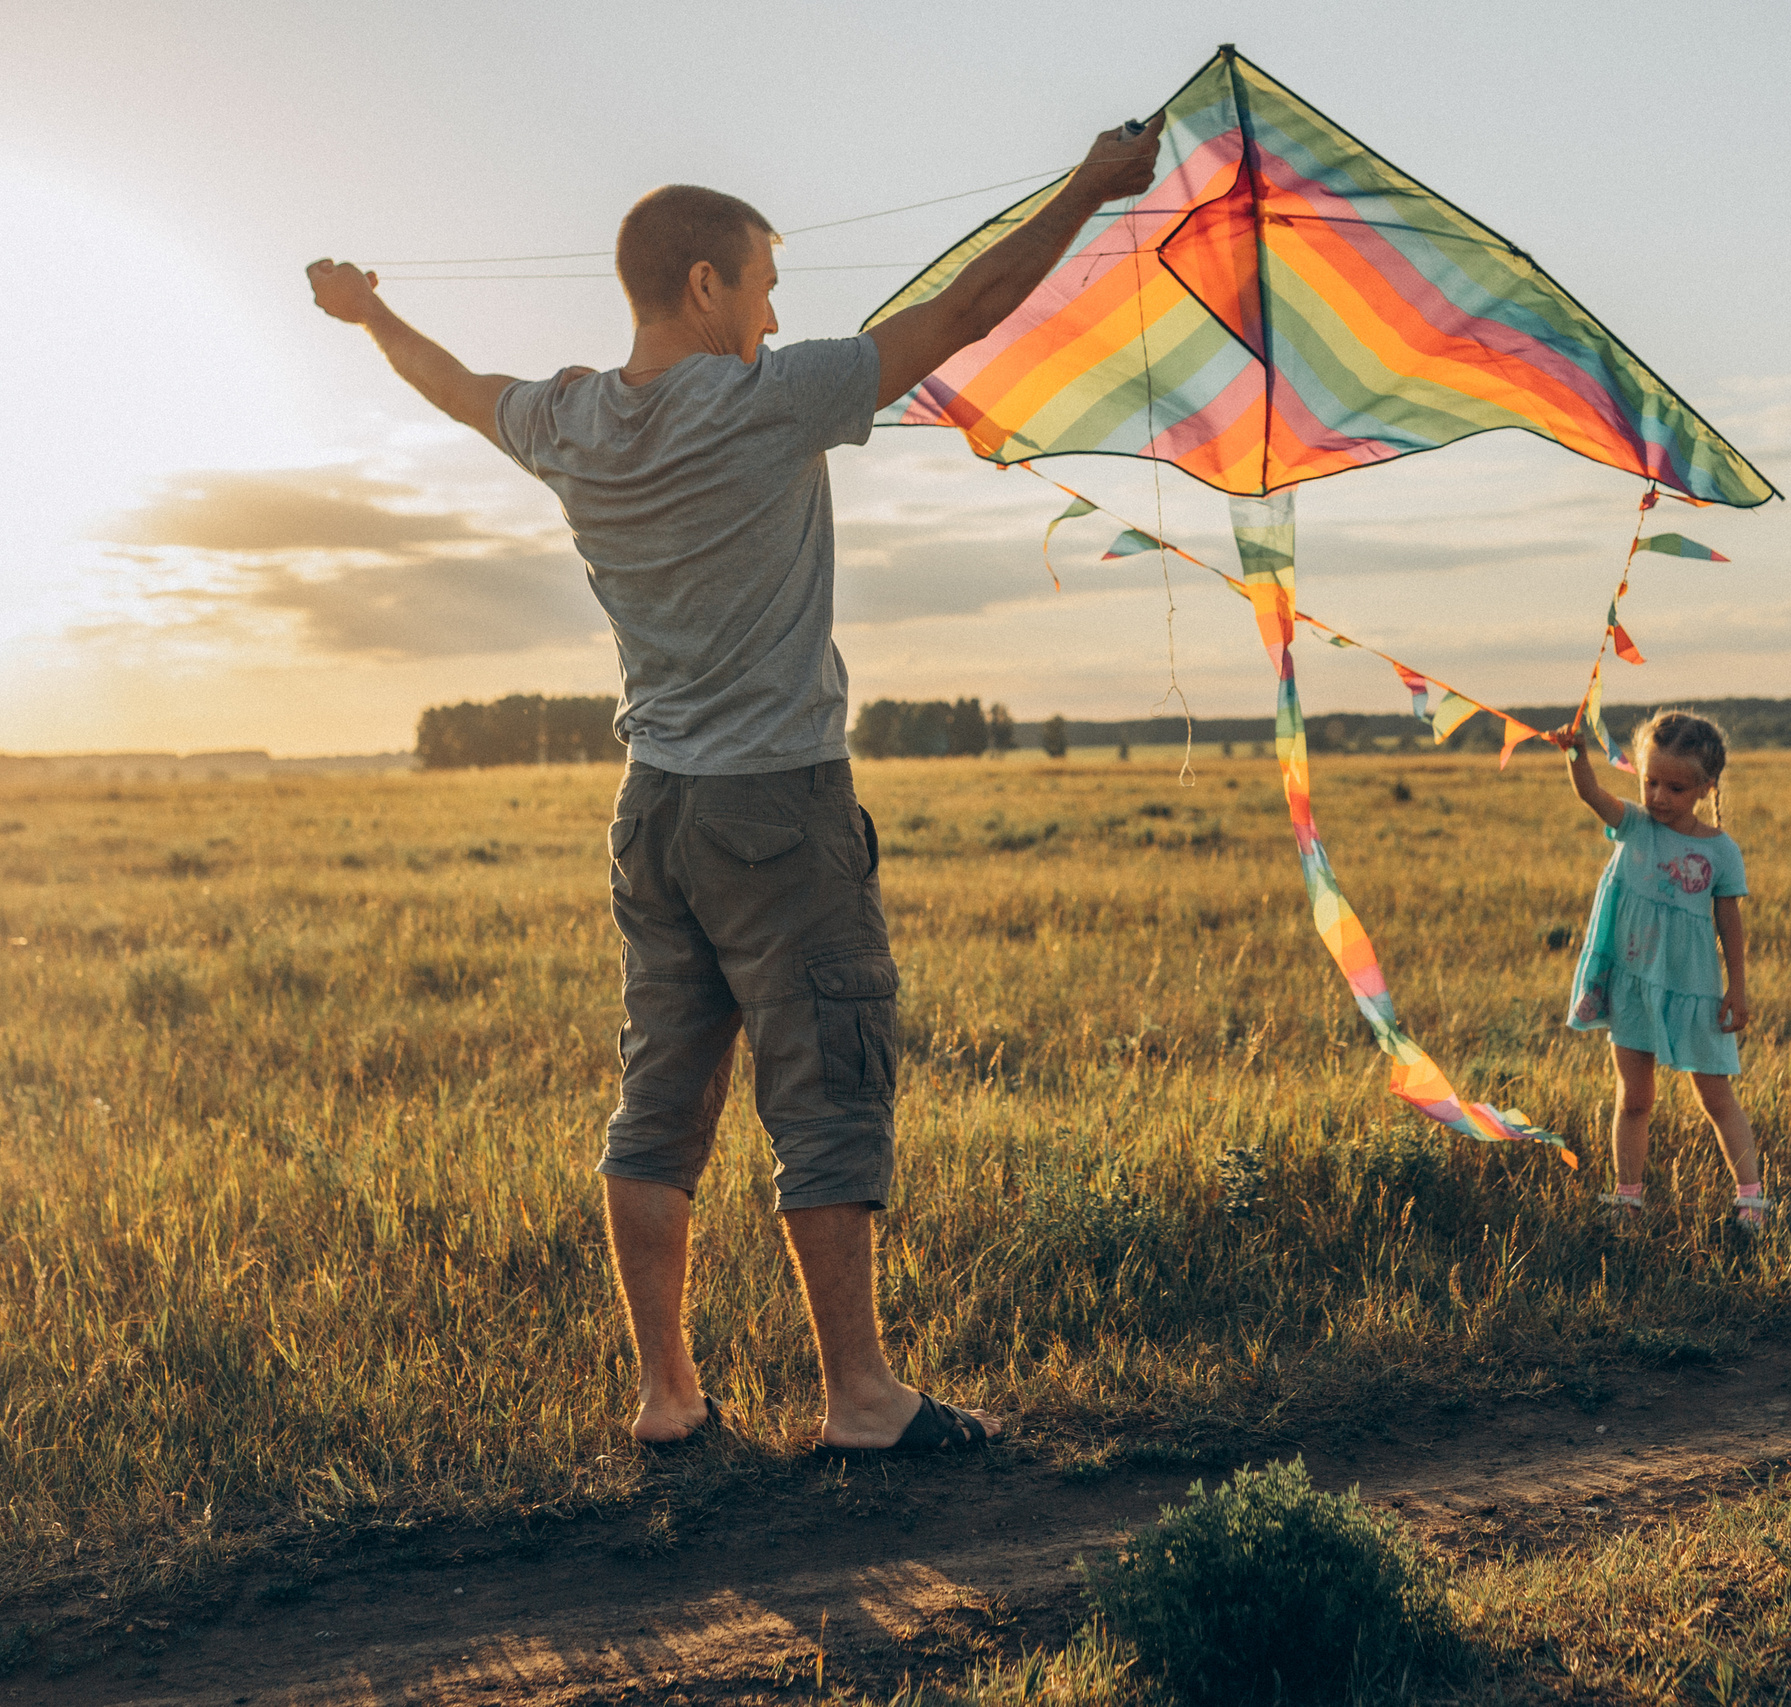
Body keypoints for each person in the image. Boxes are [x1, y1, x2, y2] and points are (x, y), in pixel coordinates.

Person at [306, 115, 1166, 1455]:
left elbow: (457, 386)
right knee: (827, 1093)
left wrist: (368, 315)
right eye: (764, 285)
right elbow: (970, 308)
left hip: (653, 811)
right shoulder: (771, 398)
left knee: (659, 1104)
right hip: (778, 807)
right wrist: (1092, 188)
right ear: (703, 283)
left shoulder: (567, 420)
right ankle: (861, 1397)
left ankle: (669, 1397)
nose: (774, 316)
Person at [1563, 711, 1768, 1227]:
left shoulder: (1720, 851)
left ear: (1706, 787)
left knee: (1716, 1097)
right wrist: (1576, 754)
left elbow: (1729, 923)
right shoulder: (1633, 825)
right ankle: (1627, 1199)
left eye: (1675, 788)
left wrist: (1738, 989)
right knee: (1634, 1098)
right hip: (1632, 984)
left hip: (1693, 990)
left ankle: (1751, 1200)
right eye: (1650, 782)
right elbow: (1590, 793)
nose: (1658, 797)